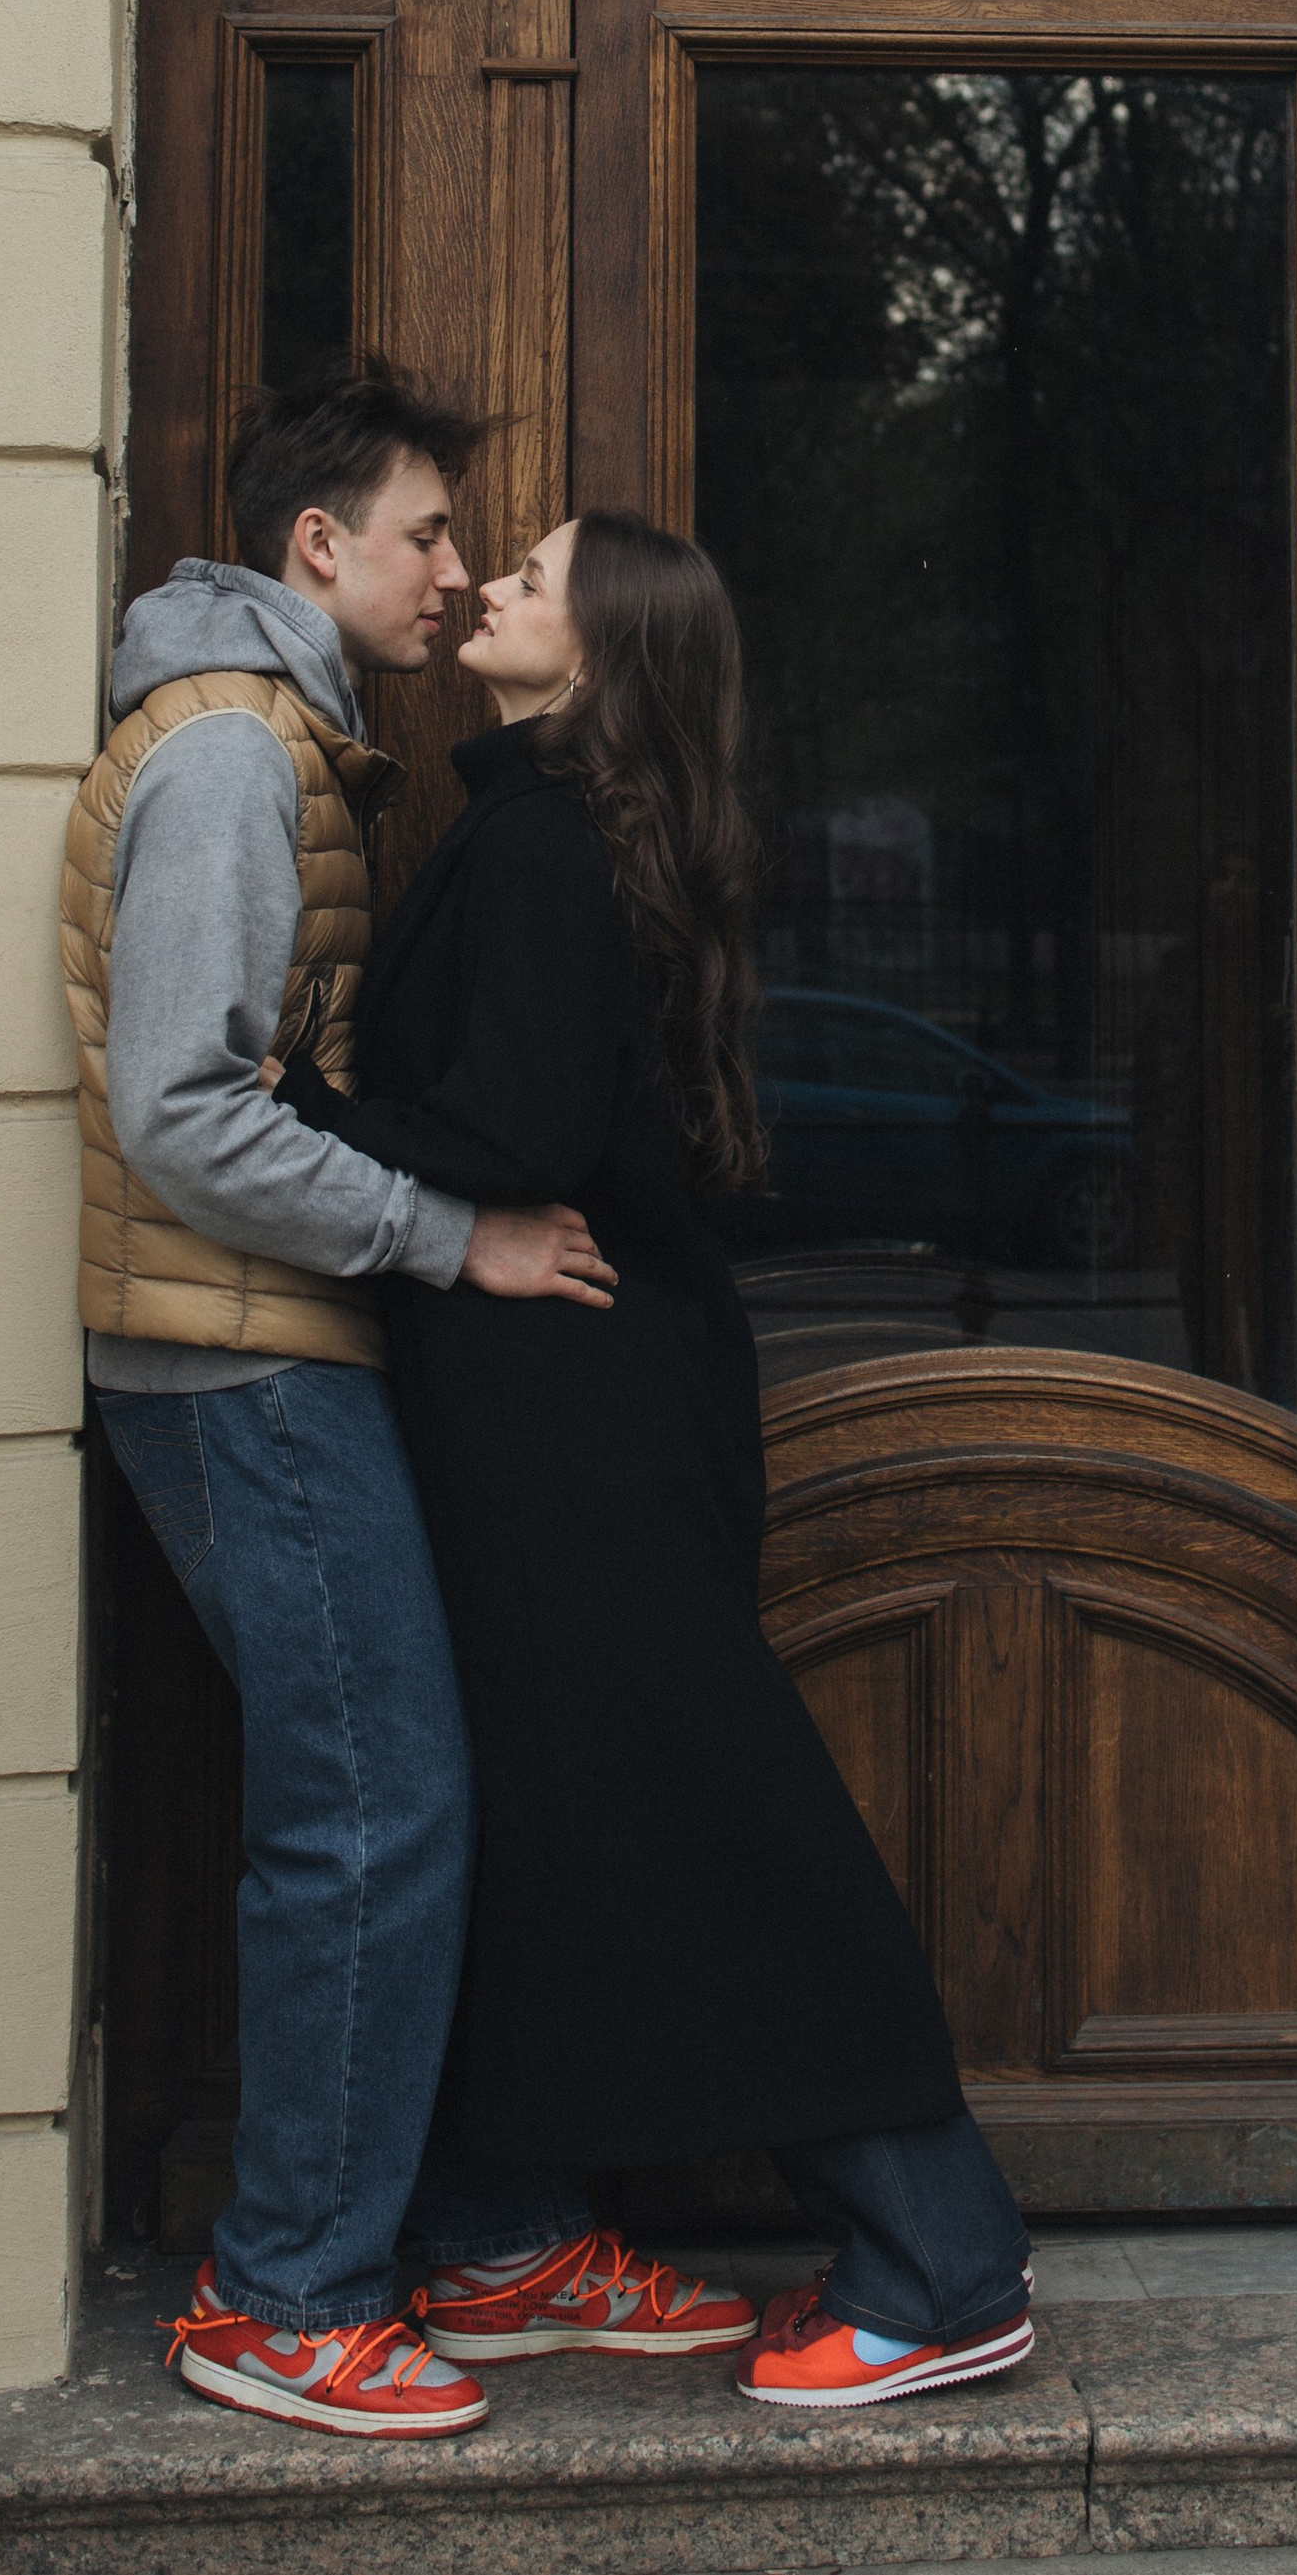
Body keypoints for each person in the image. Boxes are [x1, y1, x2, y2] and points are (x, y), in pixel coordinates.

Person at [278, 510, 1037, 2407]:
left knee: (714, 1829)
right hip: (591, 1399)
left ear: (599, 653)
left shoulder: (546, 841)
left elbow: (519, 1122)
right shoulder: (578, 826)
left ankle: (941, 2262)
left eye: (528, 579)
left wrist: (305, 1102)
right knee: (564, 1825)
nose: (487, 591)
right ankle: (505, 2217)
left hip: (575, 1422)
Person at [62, 368, 715, 2442]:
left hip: (281, 1335)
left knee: (413, 1789)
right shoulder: (234, 765)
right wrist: (464, 1237)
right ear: (318, 549)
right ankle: (284, 2296)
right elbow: (182, 1113)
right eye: (432, 532)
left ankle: (500, 2228)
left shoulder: (296, 750)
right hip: (230, 1353)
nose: (456, 567)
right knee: (370, 1809)